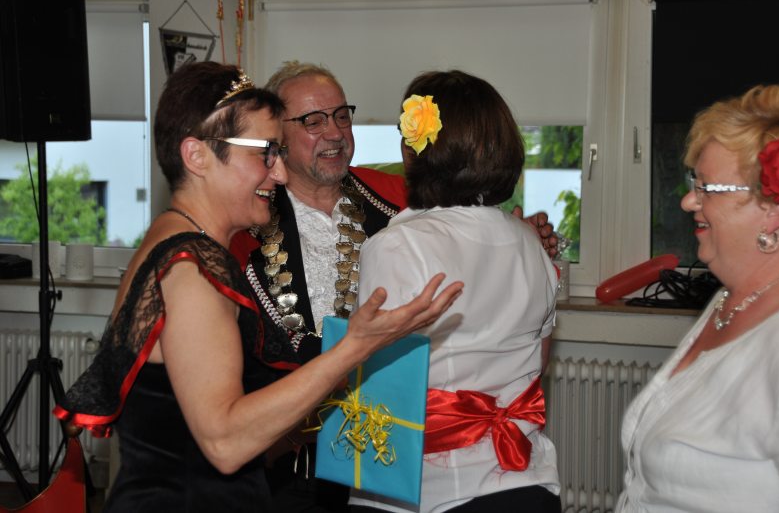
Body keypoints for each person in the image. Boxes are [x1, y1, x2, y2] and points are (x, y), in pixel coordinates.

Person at [53, 61, 463, 512]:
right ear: (197, 156)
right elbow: (225, 443)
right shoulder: (192, 269)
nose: (280, 173)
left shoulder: (170, 241)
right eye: (265, 153)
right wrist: (356, 346)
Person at [228, 61, 559, 512]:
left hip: (390, 463)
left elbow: (468, 216)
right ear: (277, 135)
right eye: (314, 121)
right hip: (288, 468)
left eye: (341, 115)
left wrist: (519, 240)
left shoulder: (396, 199)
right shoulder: (244, 225)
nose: (335, 132)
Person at [349, 70, 561, 513]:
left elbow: (379, 390)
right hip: (525, 481)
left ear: (412, 150)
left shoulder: (397, 246)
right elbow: (537, 362)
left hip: (430, 492)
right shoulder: (531, 244)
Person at [615, 82, 779, 512]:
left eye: (706, 187)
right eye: (692, 183)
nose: (687, 202)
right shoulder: (728, 300)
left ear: (774, 208)